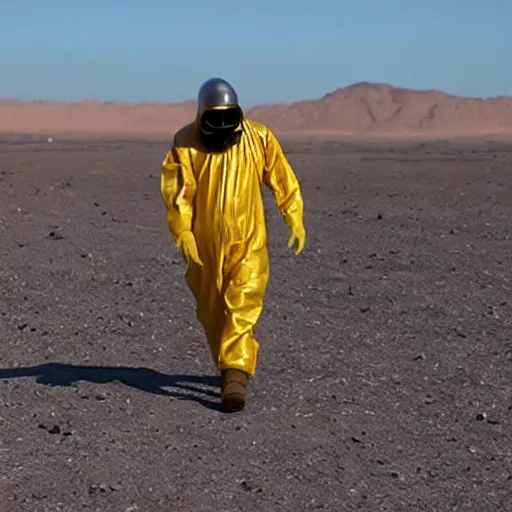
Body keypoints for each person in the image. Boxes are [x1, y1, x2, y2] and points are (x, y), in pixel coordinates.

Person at [160, 77, 306, 412]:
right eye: (215, 118)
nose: (224, 126)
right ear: (202, 116)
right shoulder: (186, 143)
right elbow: (179, 193)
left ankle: (236, 377)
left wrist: (293, 215)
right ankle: (228, 365)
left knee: (243, 303)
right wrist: (182, 231)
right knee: (213, 313)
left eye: (230, 117)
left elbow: (281, 177)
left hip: (248, 241)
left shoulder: (258, 138)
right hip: (205, 247)